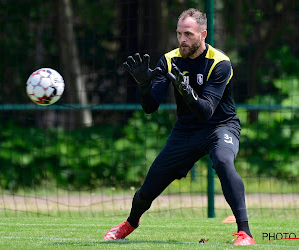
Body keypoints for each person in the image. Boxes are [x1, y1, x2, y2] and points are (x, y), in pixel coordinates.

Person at [103, 8, 255, 246]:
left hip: (221, 126)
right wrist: (143, 86)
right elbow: (150, 107)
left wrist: (188, 93)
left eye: (189, 34)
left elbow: (206, 110)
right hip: (186, 131)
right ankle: (130, 223)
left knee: (224, 162)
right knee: (150, 185)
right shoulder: (169, 60)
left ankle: (245, 232)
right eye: (179, 34)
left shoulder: (220, 63)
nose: (183, 39)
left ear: (203, 34)